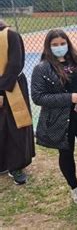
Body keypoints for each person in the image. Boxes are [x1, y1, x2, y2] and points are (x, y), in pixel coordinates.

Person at [31, 29, 77, 204]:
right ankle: (75, 187)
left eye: (62, 43)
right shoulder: (41, 68)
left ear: (68, 44)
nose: (59, 47)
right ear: (48, 47)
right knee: (66, 153)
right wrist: (68, 98)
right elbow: (38, 97)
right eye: (55, 45)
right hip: (60, 118)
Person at [0, 20, 35, 185]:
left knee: (15, 125)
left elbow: (15, 65)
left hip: (12, 86)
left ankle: (16, 165)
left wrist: (1, 91)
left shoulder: (10, 35)